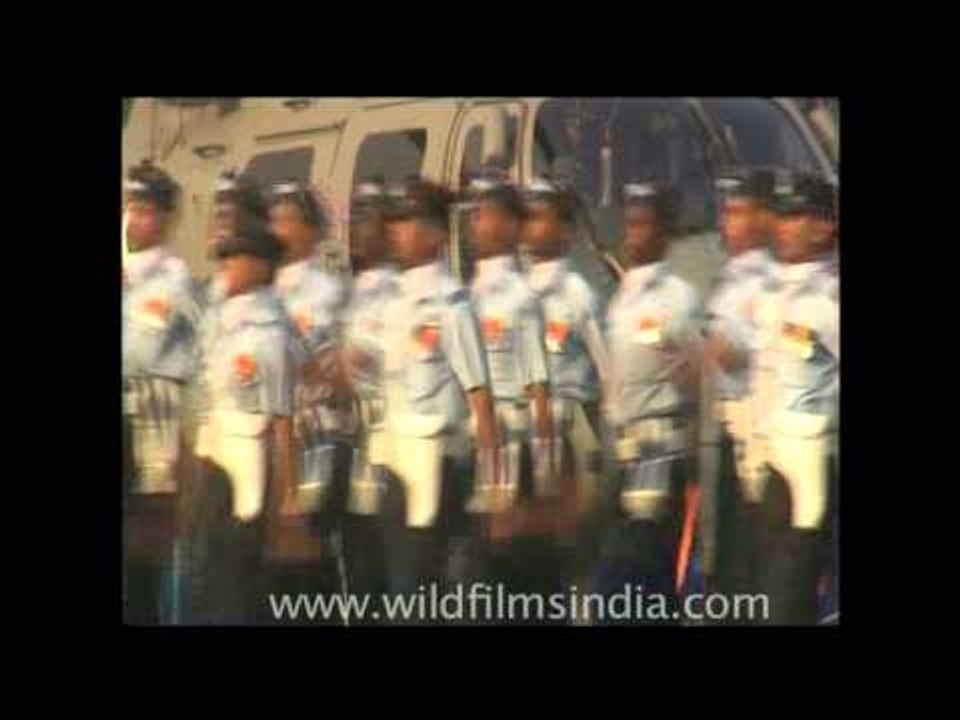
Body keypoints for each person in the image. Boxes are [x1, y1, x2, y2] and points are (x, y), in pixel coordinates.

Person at [379, 178, 501, 609]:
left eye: (405, 221)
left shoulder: (451, 305)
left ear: (432, 232)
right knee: (399, 591)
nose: (395, 230)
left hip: (441, 467)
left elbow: (480, 398)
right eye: (392, 221)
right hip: (395, 466)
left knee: (424, 593)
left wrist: (489, 487)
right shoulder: (391, 302)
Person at [595, 181, 702, 623]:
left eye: (642, 224)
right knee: (639, 583)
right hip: (622, 453)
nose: (631, 234)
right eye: (629, 223)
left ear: (663, 234)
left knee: (627, 577)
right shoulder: (624, 297)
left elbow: (697, 368)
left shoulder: (677, 296)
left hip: (659, 452)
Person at [191, 225, 297, 624]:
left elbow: (283, 421)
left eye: (235, 259)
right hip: (216, 464)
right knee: (211, 574)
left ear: (259, 267)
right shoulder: (225, 325)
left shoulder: (268, 334)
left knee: (238, 580)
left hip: (252, 472)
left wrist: (286, 498)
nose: (227, 268)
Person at [752, 171, 838, 625]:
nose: (783, 226)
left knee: (790, 596)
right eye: (780, 217)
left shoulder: (830, 296)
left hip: (817, 460)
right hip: (771, 461)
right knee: (770, 593)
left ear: (825, 226)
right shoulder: (774, 293)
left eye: (795, 216)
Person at [522, 177, 609, 606]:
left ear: (566, 230)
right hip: (521, 427)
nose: (529, 225)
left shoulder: (578, 293)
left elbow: (607, 368)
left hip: (571, 420)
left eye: (539, 215)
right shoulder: (512, 290)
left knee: (575, 544)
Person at [122, 160, 201, 624]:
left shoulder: (174, 277)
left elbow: (144, 348)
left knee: (152, 541)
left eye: (146, 209)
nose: (135, 218)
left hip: (158, 413)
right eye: (131, 207)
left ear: (168, 218)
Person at [701, 167, 778, 601]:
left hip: (756, 431)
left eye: (737, 212)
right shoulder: (730, 276)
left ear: (765, 218)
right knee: (726, 552)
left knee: (750, 555)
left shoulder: (766, 281)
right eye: (725, 212)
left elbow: (754, 352)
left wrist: (708, 351)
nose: (725, 223)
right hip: (726, 427)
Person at [341, 179, 400, 603]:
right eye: (353, 215)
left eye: (367, 216)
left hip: (390, 449)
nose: (355, 226)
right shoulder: (355, 289)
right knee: (358, 578)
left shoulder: (399, 290)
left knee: (386, 576)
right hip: (357, 451)